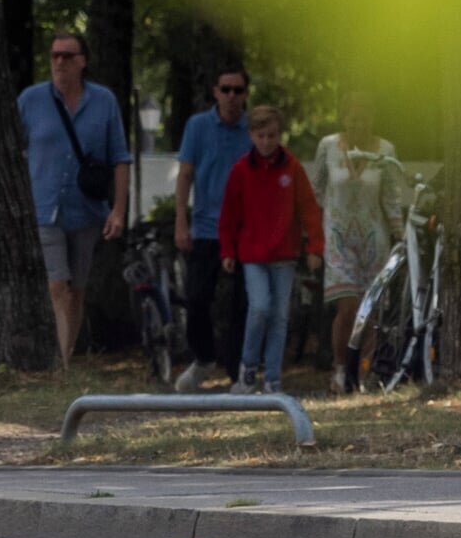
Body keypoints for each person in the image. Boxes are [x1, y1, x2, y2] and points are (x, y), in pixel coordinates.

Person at [16, 30, 132, 361]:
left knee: (76, 291)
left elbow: (120, 158)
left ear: (83, 61)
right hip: (44, 209)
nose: (60, 62)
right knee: (57, 285)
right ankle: (60, 364)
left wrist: (118, 210)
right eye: (55, 55)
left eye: (67, 56)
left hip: (86, 210)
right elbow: (14, 151)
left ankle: (65, 354)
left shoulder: (104, 101)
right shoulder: (30, 100)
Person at [218, 104, 321, 394]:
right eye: (261, 135)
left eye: (272, 135)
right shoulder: (240, 170)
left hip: (285, 254)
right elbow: (229, 214)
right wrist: (227, 250)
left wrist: (315, 246)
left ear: (280, 135)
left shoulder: (293, 167)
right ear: (251, 135)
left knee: (280, 315)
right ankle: (248, 370)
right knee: (260, 307)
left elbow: (308, 208)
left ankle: (273, 377)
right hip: (252, 254)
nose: (266, 142)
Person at [313, 92, 403, 390]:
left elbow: (390, 196)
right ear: (344, 118)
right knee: (348, 306)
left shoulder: (385, 149)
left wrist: (399, 232)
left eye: (363, 117)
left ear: (372, 118)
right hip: (338, 237)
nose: (358, 123)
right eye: (352, 117)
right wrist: (314, 236)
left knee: (373, 310)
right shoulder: (327, 146)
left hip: (373, 238)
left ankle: (365, 372)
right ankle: (340, 369)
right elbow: (318, 189)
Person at [172, 66, 254, 381]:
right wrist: (182, 220)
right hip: (206, 227)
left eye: (237, 90)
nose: (231, 96)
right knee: (196, 299)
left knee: (243, 304)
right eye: (225, 89)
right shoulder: (197, 126)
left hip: (244, 231)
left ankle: (238, 371)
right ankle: (204, 357)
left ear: (246, 94)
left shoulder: (254, 130)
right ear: (215, 92)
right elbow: (185, 174)